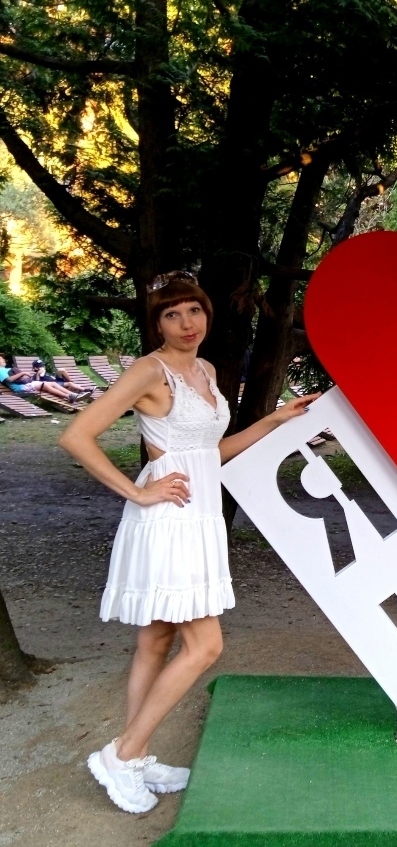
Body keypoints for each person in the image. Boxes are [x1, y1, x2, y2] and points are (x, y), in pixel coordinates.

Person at [58, 271, 317, 814]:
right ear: (157, 323)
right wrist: (138, 491)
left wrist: (276, 418)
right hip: (168, 519)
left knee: (156, 640)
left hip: (198, 516)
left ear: (207, 313)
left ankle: (136, 753)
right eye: (171, 314)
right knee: (205, 647)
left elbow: (210, 453)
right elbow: (76, 436)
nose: (186, 322)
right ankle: (123, 755)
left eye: (193, 310)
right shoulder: (148, 371)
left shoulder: (206, 370)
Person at [0, 354, 88, 403]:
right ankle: (68, 396)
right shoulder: (0, 371)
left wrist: (24, 376)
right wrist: (23, 373)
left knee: (53, 383)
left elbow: (18, 377)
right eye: (1, 359)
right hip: (21, 387)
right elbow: (9, 380)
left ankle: (73, 394)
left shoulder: (6, 369)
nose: (3, 360)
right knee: (44, 385)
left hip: (27, 383)